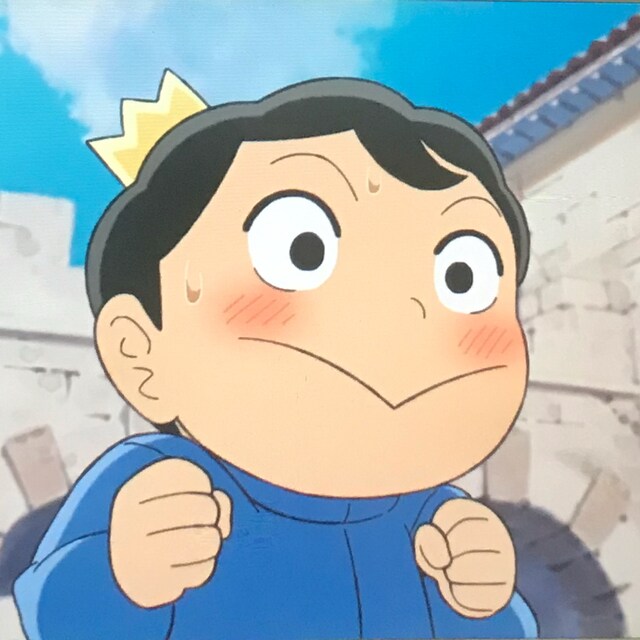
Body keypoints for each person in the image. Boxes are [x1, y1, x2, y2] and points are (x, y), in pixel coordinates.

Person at [14, 70, 538, 639]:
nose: (406, 311)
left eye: (464, 277)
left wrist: (485, 599)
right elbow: (57, 615)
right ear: (139, 351)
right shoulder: (159, 479)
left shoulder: (432, 517)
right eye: (300, 250)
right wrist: (124, 575)